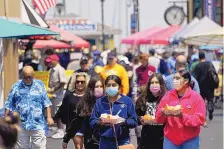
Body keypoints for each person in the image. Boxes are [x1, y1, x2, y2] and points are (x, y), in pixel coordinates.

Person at [4, 66, 54, 149]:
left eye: (29, 77)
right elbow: (9, 103)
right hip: (21, 124)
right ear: (22, 76)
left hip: (37, 124)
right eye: (25, 77)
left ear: (34, 76)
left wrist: (49, 117)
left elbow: (46, 102)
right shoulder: (16, 86)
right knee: (21, 147)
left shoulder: (40, 85)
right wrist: (6, 119)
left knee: (39, 146)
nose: (27, 79)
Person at [156, 70, 206, 149]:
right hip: (170, 140)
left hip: (190, 140)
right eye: (174, 78)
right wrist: (163, 112)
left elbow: (200, 120)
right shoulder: (168, 95)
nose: (175, 81)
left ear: (186, 81)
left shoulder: (196, 98)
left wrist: (182, 117)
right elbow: (158, 119)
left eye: (177, 78)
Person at [90, 75, 138, 149]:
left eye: (114, 85)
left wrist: (123, 122)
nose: (111, 87)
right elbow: (92, 121)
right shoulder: (100, 102)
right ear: (105, 87)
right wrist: (100, 122)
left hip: (123, 141)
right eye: (108, 85)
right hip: (105, 142)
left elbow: (134, 121)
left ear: (119, 87)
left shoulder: (127, 101)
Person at [72, 77, 105, 149]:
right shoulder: (84, 103)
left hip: (106, 138)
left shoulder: (107, 102)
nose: (99, 88)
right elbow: (81, 124)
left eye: (101, 86)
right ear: (91, 88)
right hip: (90, 139)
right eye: (96, 86)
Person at [136, 73, 167, 149]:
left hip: (162, 137)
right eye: (152, 83)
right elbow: (135, 116)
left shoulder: (166, 98)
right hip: (147, 137)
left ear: (161, 84)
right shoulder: (143, 98)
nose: (154, 85)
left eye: (156, 82)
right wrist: (141, 119)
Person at [60, 72, 89, 149]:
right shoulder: (69, 97)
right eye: (78, 81)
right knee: (78, 146)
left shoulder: (90, 96)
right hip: (75, 126)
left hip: (88, 126)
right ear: (74, 83)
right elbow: (64, 112)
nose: (80, 83)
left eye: (82, 82)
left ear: (86, 83)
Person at [45, 54, 67, 139]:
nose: (49, 63)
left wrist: (54, 89)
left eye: (51, 61)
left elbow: (62, 82)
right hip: (54, 94)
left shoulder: (60, 69)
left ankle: (60, 130)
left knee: (58, 112)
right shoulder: (52, 70)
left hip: (59, 94)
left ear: (56, 61)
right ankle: (59, 129)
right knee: (55, 111)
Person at [194, 51, 219, 120]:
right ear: (204, 56)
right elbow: (214, 74)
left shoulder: (197, 66)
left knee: (202, 101)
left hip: (201, 86)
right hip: (210, 85)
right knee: (210, 99)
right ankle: (210, 109)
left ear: (199, 57)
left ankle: (203, 114)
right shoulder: (210, 64)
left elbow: (195, 78)